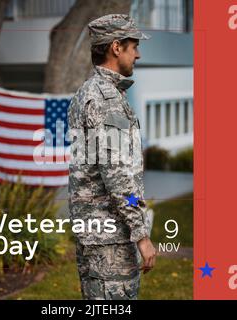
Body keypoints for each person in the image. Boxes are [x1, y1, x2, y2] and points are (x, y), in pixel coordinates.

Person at [67, 14, 156, 300]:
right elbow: (116, 175)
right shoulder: (105, 99)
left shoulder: (87, 92)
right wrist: (141, 235)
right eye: (134, 46)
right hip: (111, 236)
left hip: (97, 232)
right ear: (116, 47)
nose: (138, 54)